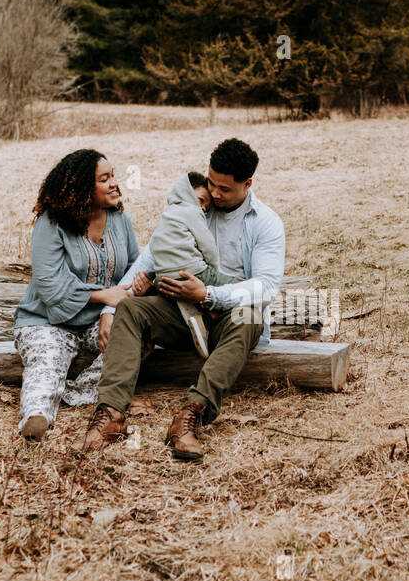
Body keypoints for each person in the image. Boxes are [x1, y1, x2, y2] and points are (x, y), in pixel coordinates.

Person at [79, 138, 285, 460]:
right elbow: (152, 254)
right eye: (211, 184)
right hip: (179, 312)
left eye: (224, 189)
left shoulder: (266, 224)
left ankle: (191, 415)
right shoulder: (195, 204)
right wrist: (110, 306)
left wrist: (209, 294)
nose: (214, 195)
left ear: (248, 183)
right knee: (131, 309)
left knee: (251, 317)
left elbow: (267, 286)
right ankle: (111, 414)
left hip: (227, 318)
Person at [12, 148, 139, 441]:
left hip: (98, 321)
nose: (115, 183)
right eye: (104, 179)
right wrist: (104, 296)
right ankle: (37, 416)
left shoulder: (120, 220)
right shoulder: (52, 222)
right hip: (46, 320)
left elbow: (134, 268)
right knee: (47, 359)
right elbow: (48, 283)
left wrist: (111, 310)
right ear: (83, 188)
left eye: (114, 176)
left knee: (135, 337)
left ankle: (72, 392)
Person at [146, 171, 238, 358]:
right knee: (237, 287)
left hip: (164, 277)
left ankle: (197, 317)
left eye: (206, 206)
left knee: (191, 293)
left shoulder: (168, 215)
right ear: (187, 192)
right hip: (193, 270)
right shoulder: (192, 211)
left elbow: (156, 246)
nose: (204, 208)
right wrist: (212, 268)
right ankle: (209, 318)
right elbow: (207, 245)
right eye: (202, 200)